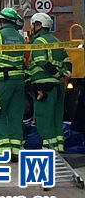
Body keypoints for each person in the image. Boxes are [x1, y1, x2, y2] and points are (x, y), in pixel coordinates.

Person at [0, 7, 27, 156]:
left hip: (2, 80)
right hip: (19, 81)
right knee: (15, 114)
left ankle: (4, 149)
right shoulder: (20, 38)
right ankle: (15, 151)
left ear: (1, 21)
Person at [28, 12, 70, 153]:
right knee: (57, 117)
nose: (32, 28)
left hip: (44, 86)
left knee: (44, 117)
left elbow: (41, 62)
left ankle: (48, 148)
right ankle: (59, 146)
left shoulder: (39, 42)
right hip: (58, 87)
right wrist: (65, 74)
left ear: (39, 25)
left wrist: (57, 74)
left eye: (34, 25)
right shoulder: (56, 41)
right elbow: (67, 61)